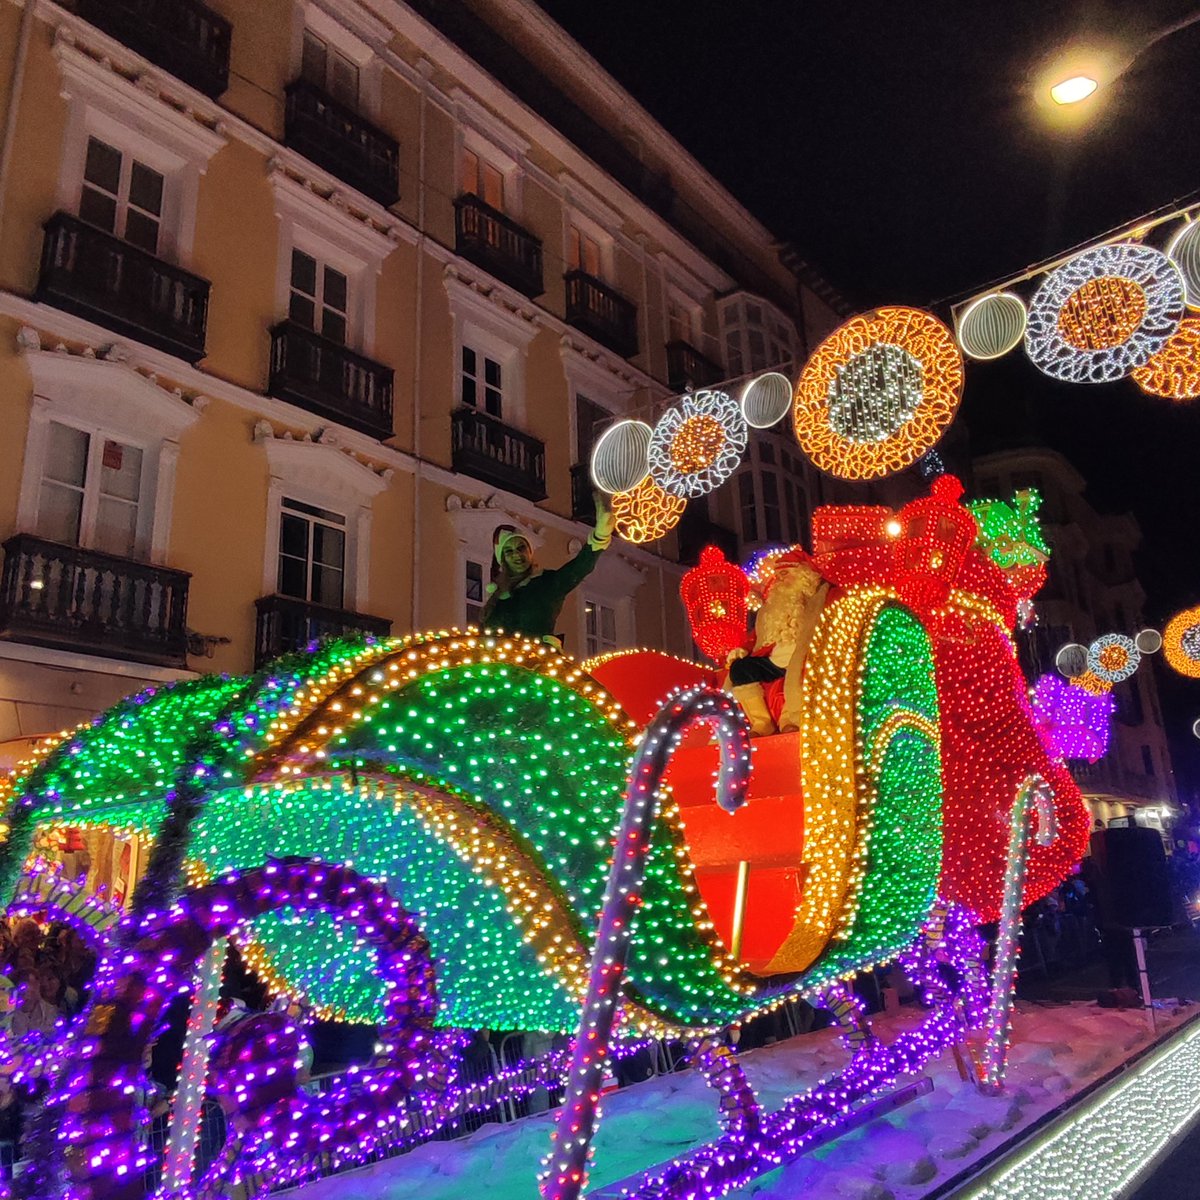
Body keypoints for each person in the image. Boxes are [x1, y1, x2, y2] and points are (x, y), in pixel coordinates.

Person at [480, 496, 614, 646]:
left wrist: (600, 535)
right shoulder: (496, 597)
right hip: (500, 666)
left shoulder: (547, 583)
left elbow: (578, 568)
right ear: (503, 560)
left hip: (538, 663)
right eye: (509, 552)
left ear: (530, 552)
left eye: (521, 548)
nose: (517, 554)